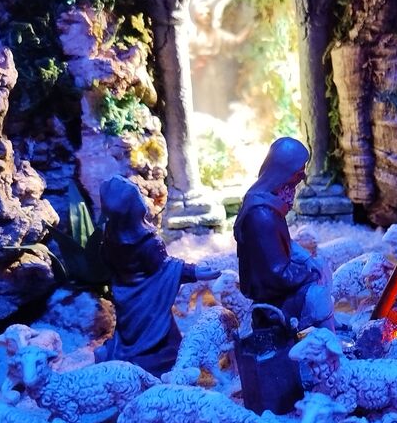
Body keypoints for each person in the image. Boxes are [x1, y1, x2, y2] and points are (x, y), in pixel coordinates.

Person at [95, 175, 219, 376]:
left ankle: (119, 356)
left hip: (127, 299)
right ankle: (156, 368)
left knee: (131, 334)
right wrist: (194, 272)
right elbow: (165, 269)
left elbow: (106, 262)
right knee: (163, 343)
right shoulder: (148, 242)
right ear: (135, 207)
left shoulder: (110, 236)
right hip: (149, 302)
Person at [234, 137, 334, 330]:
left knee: (321, 266)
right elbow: (277, 274)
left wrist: (306, 259)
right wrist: (307, 272)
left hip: (277, 283)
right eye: (299, 171)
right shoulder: (262, 215)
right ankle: (327, 336)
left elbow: (281, 243)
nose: (303, 176)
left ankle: (329, 324)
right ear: (283, 172)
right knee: (318, 295)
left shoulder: (267, 204)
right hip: (273, 295)